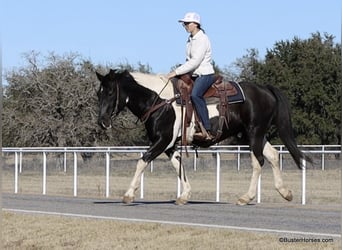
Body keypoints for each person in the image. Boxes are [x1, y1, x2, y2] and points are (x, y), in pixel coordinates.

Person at [167, 12, 215, 141]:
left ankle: (207, 129)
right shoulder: (190, 39)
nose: (185, 25)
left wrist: (175, 72)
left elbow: (195, 61)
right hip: (193, 74)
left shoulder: (202, 39)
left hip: (204, 74)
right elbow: (189, 61)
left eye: (187, 23)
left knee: (195, 95)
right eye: (184, 23)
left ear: (196, 24)